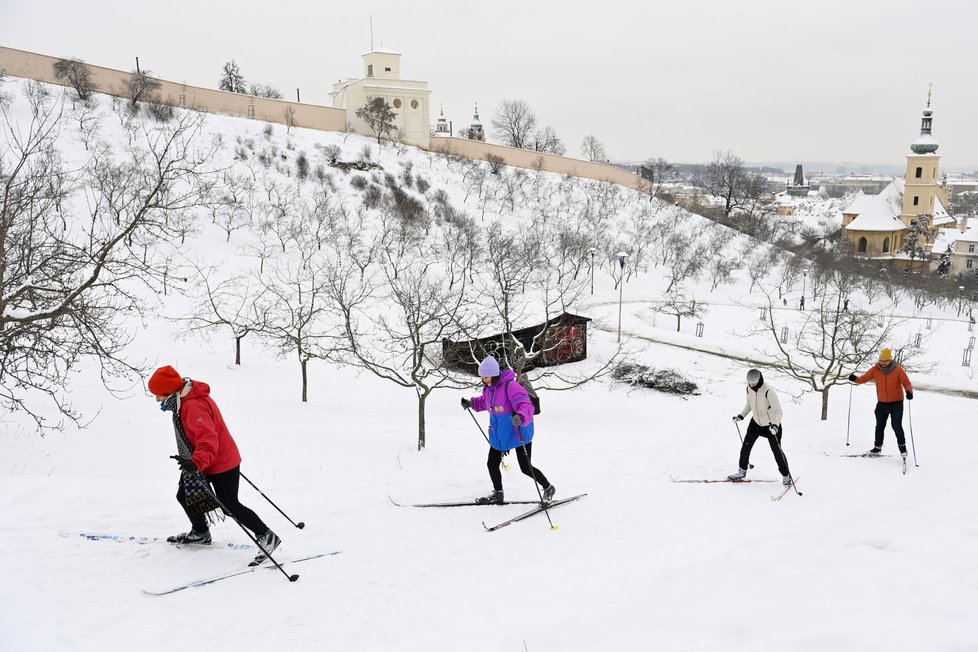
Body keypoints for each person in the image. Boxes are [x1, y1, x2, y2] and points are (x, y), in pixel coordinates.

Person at [148, 365, 280, 562]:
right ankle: (201, 533)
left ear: (169, 392)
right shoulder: (184, 401)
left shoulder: (193, 406)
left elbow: (208, 441)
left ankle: (266, 536)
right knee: (184, 496)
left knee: (230, 504)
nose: (157, 400)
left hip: (220, 461)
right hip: (203, 460)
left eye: (158, 395)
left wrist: (195, 462)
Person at [461, 356, 556, 504]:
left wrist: (521, 416)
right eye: (483, 377)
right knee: (492, 464)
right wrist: (471, 403)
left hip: (519, 432)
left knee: (525, 467)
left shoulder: (510, 386)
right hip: (501, 435)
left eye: (486, 377)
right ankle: (498, 493)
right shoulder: (488, 390)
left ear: (494, 374)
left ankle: (548, 487)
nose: (484, 380)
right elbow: (484, 402)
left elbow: (526, 405)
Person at [729, 368, 792, 485]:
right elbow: (749, 404)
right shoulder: (748, 388)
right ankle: (741, 472)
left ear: (760, 379)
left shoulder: (768, 391)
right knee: (745, 448)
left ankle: (786, 476)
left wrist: (775, 425)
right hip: (756, 423)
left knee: (777, 452)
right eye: (750, 383)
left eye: (754, 383)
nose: (752, 385)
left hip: (771, 425)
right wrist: (741, 416)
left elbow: (779, 411)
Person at [847, 348, 913, 458]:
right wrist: (855, 379)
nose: (883, 363)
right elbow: (864, 378)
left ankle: (902, 448)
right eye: (881, 360)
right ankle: (877, 448)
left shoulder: (898, 370)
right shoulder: (875, 369)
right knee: (879, 426)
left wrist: (909, 392)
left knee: (896, 426)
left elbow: (906, 383)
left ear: (890, 361)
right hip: (882, 403)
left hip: (896, 403)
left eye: (886, 361)